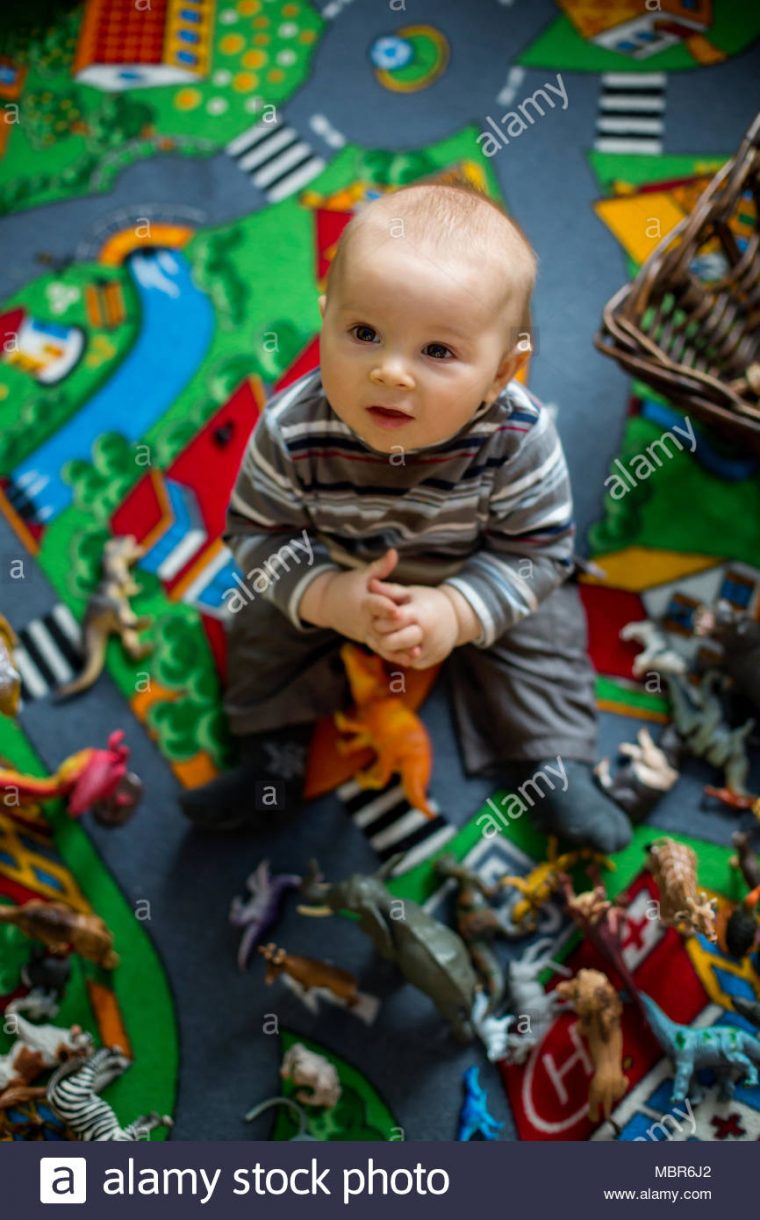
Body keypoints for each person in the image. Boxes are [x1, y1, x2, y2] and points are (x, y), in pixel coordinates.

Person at [179, 181, 632, 853]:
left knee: (549, 628)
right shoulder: (291, 427)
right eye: (364, 333)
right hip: (334, 563)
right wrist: (330, 597)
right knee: (256, 619)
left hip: (475, 568)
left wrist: (456, 611)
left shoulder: (520, 437)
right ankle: (272, 757)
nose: (391, 373)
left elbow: (536, 552)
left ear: (502, 372)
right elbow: (258, 535)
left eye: (438, 352)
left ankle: (550, 760)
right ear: (325, 315)